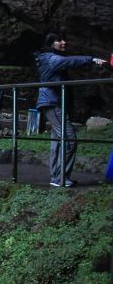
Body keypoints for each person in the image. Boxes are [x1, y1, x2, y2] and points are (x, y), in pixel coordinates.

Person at [34, 33, 107, 187]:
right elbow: (68, 62)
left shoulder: (47, 58)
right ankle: (60, 178)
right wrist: (91, 59)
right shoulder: (50, 58)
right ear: (50, 43)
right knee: (69, 139)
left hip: (52, 101)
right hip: (52, 102)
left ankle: (57, 177)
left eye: (64, 39)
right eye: (59, 40)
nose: (63, 42)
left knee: (58, 141)